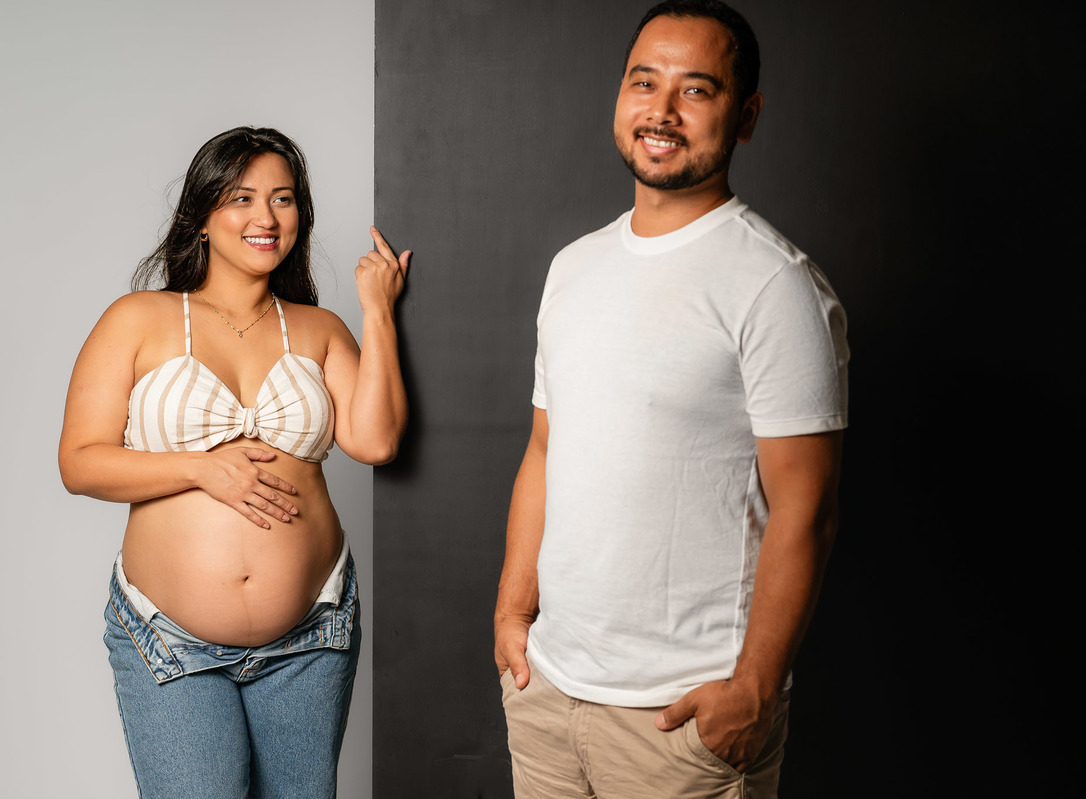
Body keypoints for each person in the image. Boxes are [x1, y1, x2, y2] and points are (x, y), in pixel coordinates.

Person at [493, 1, 849, 796]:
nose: (660, 111)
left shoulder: (775, 285)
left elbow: (808, 508)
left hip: (682, 721)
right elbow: (547, 447)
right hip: (548, 692)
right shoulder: (573, 267)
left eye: (696, 90)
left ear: (746, 115)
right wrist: (513, 614)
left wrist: (754, 690)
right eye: (643, 82)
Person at [58, 126, 409, 799]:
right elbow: (79, 462)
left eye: (283, 199)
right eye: (242, 197)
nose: (264, 217)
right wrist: (199, 469)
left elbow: (377, 441)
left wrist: (377, 311)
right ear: (203, 217)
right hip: (170, 641)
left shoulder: (319, 327)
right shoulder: (138, 319)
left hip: (312, 632)